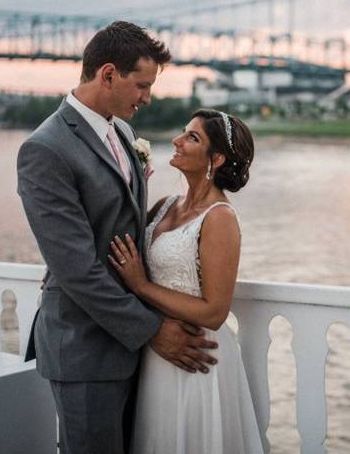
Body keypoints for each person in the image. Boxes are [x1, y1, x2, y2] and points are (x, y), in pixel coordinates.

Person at [17, 22, 218, 454]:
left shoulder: (123, 133)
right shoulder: (45, 149)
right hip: (84, 348)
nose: (147, 97)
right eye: (141, 85)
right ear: (108, 74)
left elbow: (121, 223)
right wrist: (152, 331)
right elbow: (77, 269)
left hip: (130, 347)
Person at [109, 109, 264, 453]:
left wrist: (141, 286)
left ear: (217, 158)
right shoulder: (165, 206)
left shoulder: (219, 219)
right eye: (182, 132)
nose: (177, 141)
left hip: (197, 358)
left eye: (192, 138)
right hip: (157, 351)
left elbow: (214, 312)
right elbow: (120, 240)